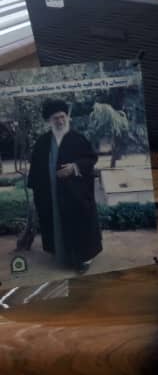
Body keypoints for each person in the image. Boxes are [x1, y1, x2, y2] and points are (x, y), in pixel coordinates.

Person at [27, 99, 101, 274]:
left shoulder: (78, 138)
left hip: (75, 193)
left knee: (80, 224)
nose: (60, 121)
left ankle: (83, 259)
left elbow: (91, 158)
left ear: (67, 117)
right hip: (51, 194)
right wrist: (37, 193)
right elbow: (35, 168)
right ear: (49, 121)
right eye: (56, 118)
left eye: (62, 117)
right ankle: (63, 254)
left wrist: (74, 167)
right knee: (56, 222)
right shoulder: (42, 142)